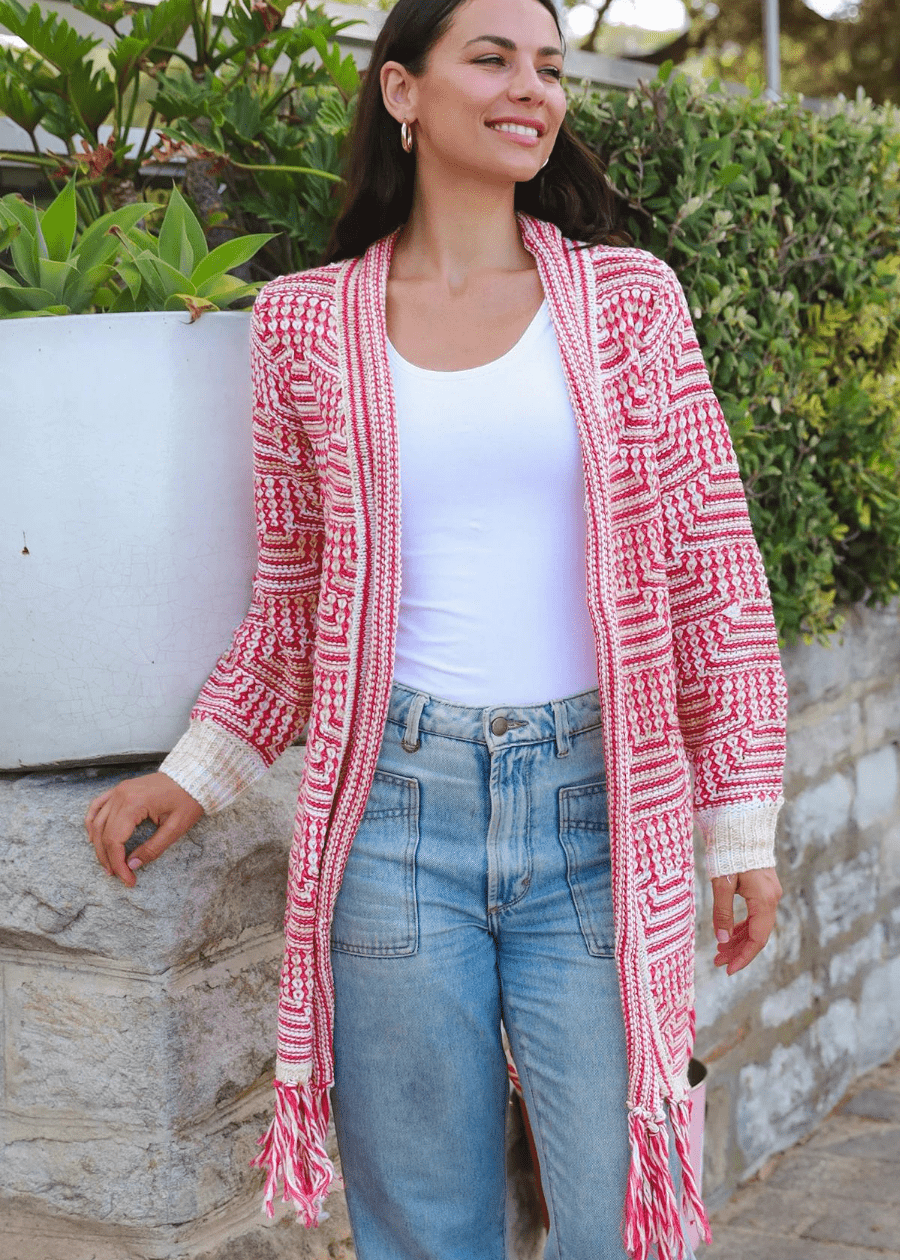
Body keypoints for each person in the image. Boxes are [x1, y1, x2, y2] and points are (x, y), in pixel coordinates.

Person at [85, 0, 788, 1256]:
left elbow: (713, 567)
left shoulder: (630, 305)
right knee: (425, 1228)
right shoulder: (305, 326)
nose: (533, 88)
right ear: (402, 92)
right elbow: (296, 605)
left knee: (628, 1212)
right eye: (493, 57)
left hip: (597, 816)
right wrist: (194, 773)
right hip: (394, 822)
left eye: (551, 67)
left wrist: (739, 819)